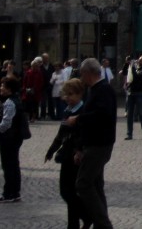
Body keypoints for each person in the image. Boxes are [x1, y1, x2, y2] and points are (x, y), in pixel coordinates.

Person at [68, 58, 116, 229]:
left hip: (99, 145)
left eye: (82, 74)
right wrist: (80, 147)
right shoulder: (95, 90)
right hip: (94, 144)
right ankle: (100, 223)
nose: (81, 78)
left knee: (83, 183)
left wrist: (78, 118)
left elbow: (101, 116)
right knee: (96, 184)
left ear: (88, 73)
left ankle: (103, 224)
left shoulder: (103, 90)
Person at [45, 78, 87, 229]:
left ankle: (82, 218)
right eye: (66, 95)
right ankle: (80, 219)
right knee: (65, 192)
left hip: (75, 156)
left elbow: (84, 135)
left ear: (79, 94)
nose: (67, 98)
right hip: (66, 155)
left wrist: (79, 150)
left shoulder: (82, 112)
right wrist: (51, 150)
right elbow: (61, 133)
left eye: (71, 95)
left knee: (71, 192)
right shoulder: (67, 111)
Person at [0, 75, 29, 203]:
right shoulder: (15, 100)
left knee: (8, 165)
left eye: (3, 86)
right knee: (13, 165)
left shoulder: (9, 102)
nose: (1, 88)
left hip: (9, 137)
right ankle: (15, 192)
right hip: (15, 137)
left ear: (9, 89)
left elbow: (6, 122)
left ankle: (9, 192)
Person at [124, 55, 142, 140]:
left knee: (141, 114)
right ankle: (129, 134)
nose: (138, 61)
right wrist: (127, 64)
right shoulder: (133, 68)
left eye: (141, 60)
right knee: (130, 115)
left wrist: (132, 68)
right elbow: (125, 72)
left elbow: (137, 78)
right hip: (131, 93)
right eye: (138, 60)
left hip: (140, 94)